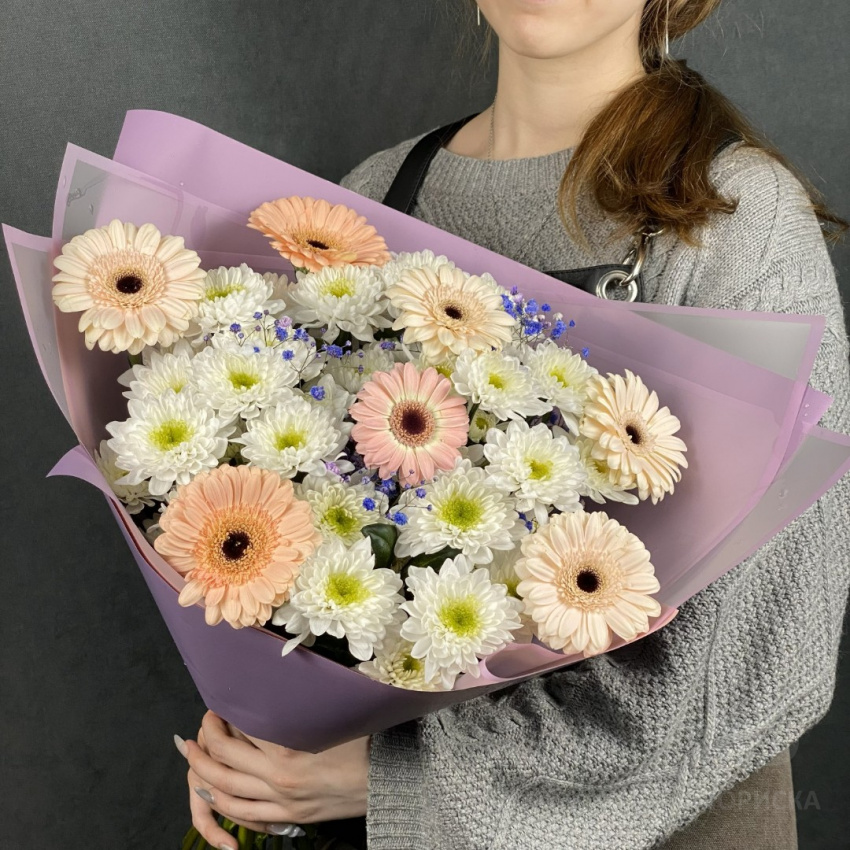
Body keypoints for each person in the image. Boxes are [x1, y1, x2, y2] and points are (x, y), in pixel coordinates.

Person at [177, 1, 850, 848]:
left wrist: (393, 778)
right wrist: (262, 730)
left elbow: (763, 662)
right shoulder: (371, 195)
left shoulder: (737, 220)